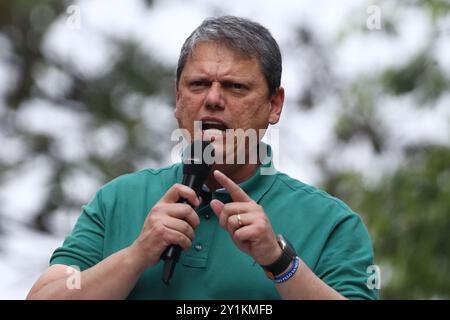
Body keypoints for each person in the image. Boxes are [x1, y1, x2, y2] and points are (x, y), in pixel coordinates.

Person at [27, 16, 378, 300]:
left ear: (274, 105)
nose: (212, 99)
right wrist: (136, 256)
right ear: (177, 100)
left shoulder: (332, 223)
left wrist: (279, 261)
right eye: (198, 85)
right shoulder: (117, 200)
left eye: (235, 87)